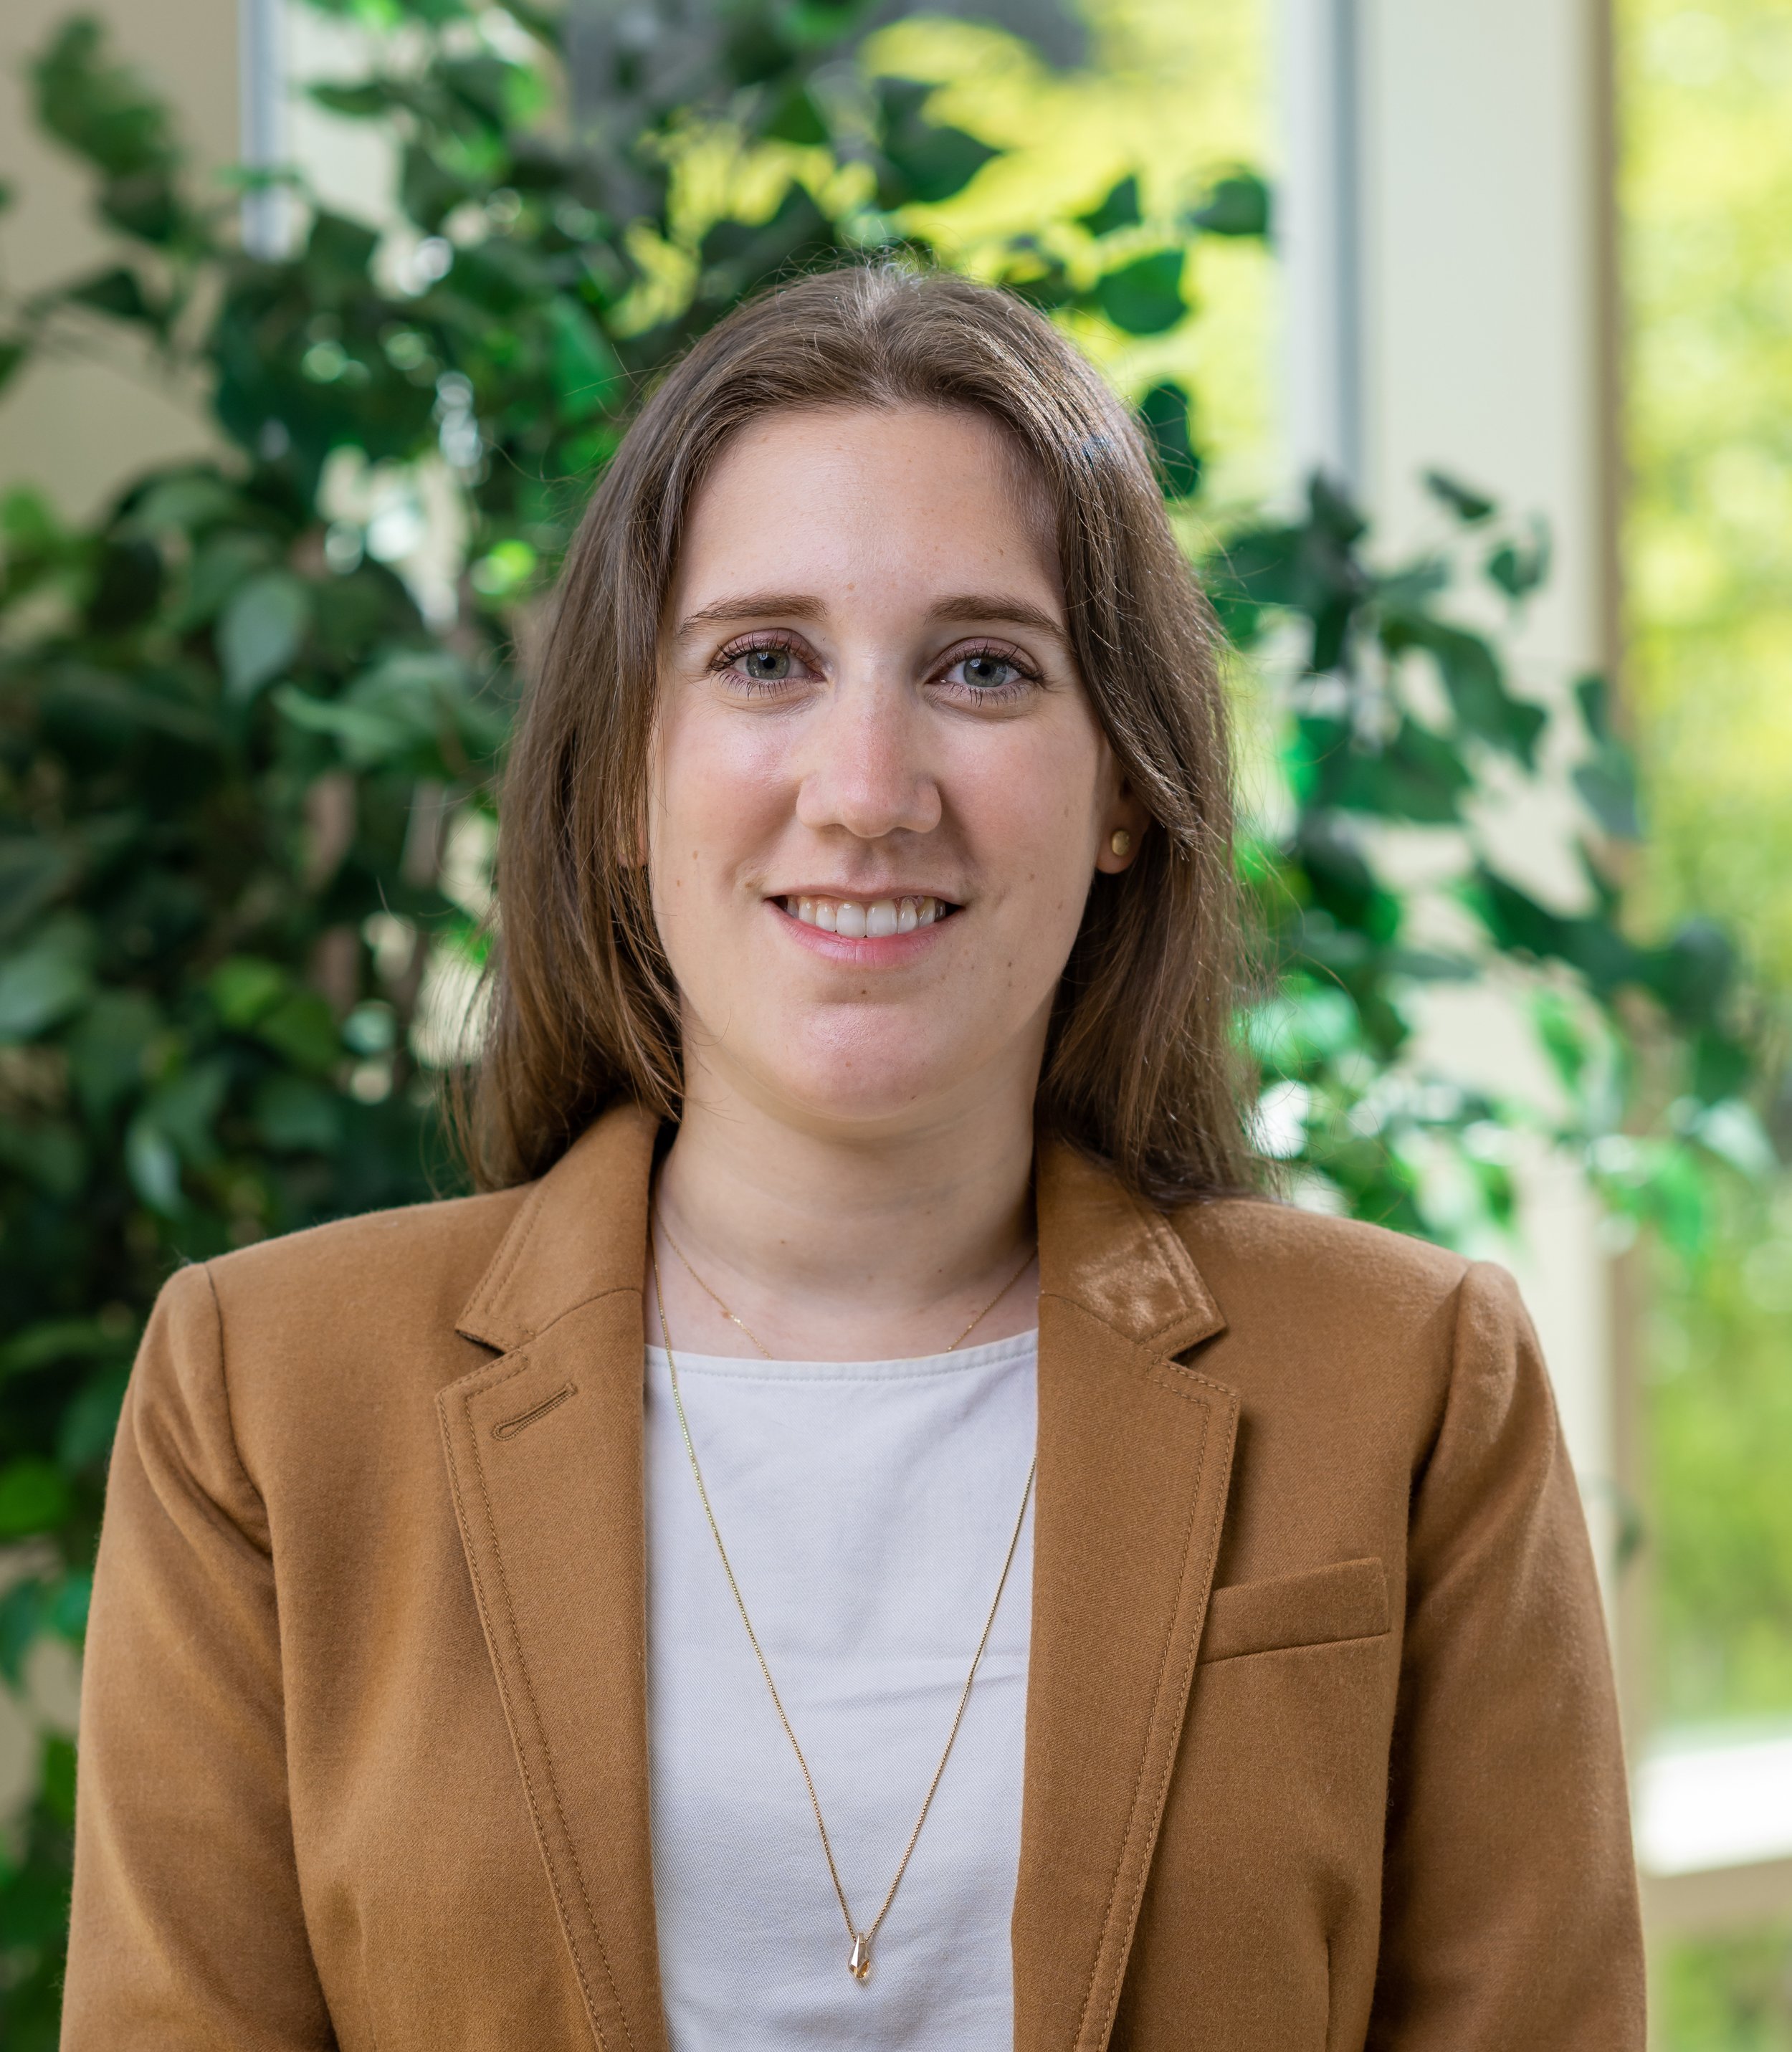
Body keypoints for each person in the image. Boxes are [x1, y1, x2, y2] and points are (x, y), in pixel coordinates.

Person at [63, 264, 1644, 2051]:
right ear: (618, 781)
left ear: (1124, 783)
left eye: (981, 667)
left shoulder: (1410, 1383)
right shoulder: (264, 1397)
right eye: (762, 660)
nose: (870, 785)